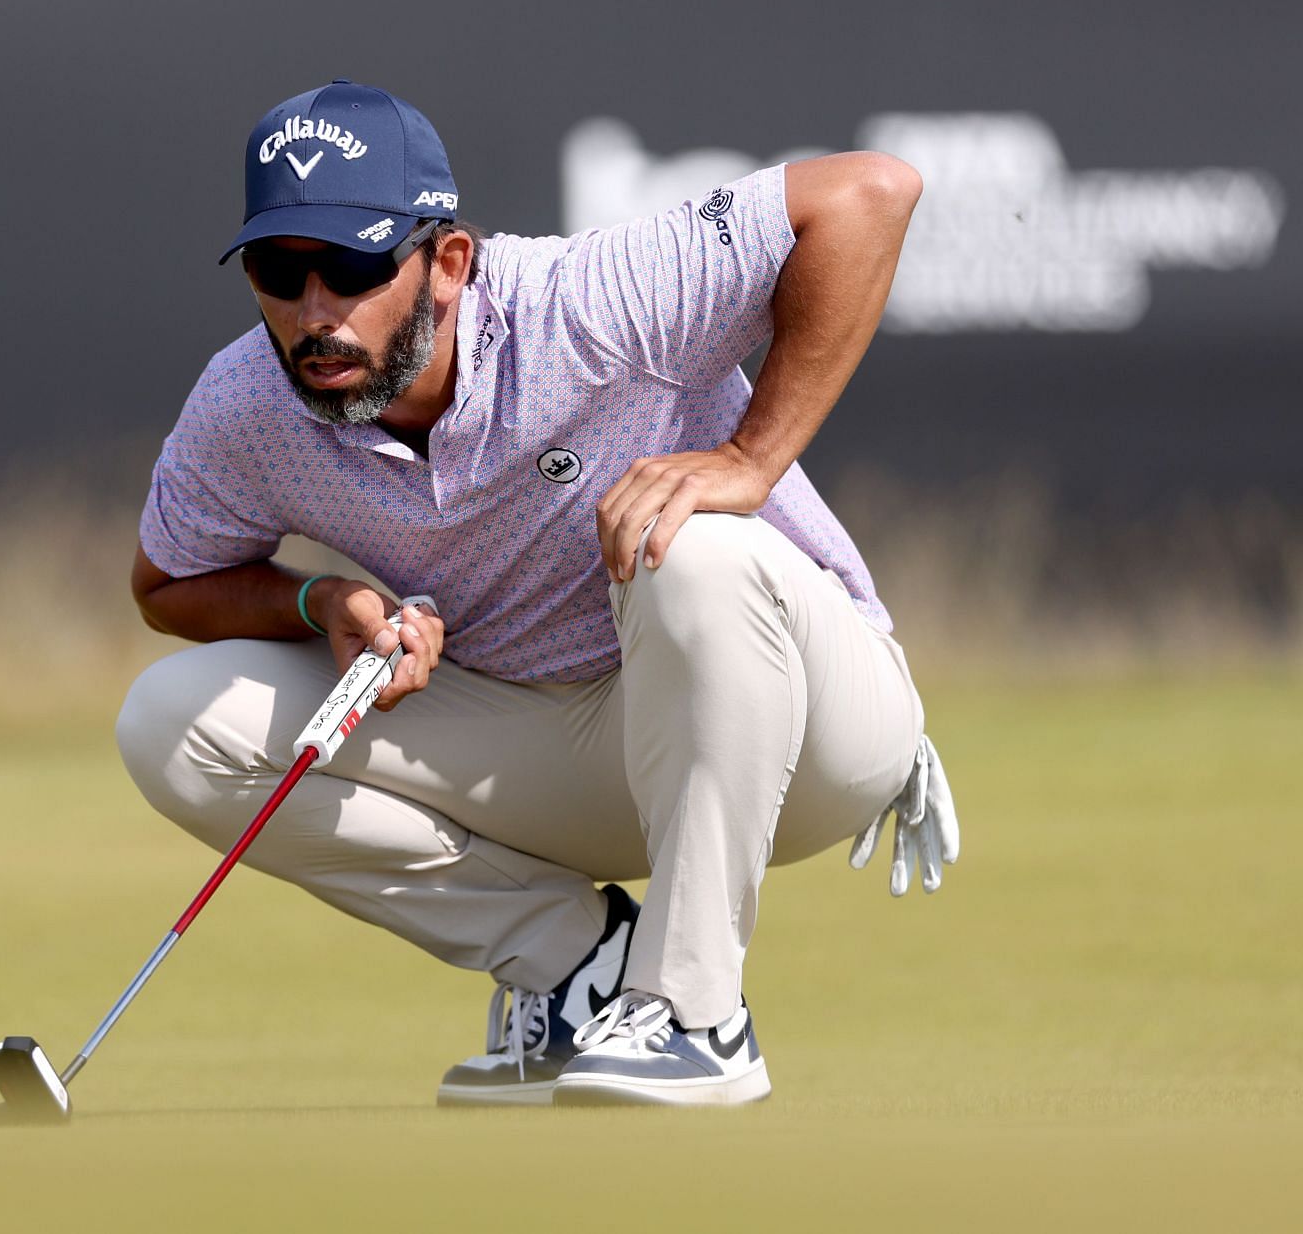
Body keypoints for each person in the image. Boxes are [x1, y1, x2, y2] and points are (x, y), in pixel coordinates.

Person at [115, 80, 958, 1107]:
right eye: (278, 271)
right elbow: (169, 582)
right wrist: (322, 601)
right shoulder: (251, 404)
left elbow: (871, 193)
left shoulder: (583, 303)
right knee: (171, 722)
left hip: (810, 732)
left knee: (688, 547)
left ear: (449, 262)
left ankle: (695, 1013)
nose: (314, 311)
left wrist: (749, 457)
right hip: (570, 752)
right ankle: (578, 964)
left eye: (353, 264)